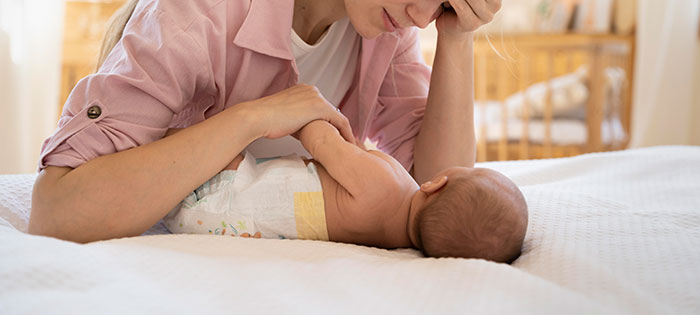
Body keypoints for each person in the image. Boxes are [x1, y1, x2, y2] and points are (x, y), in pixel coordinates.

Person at [28, 0, 520, 243]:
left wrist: (457, 36)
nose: (422, 16)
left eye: (444, 4)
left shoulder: (388, 32)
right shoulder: (201, 0)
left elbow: (435, 204)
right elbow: (58, 210)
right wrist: (253, 118)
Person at [164, 120, 528, 262]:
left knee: (207, 131)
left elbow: (323, 143)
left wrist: (309, 113)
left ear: (435, 184)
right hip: (214, 223)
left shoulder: (389, 182)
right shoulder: (388, 240)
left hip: (223, 190)